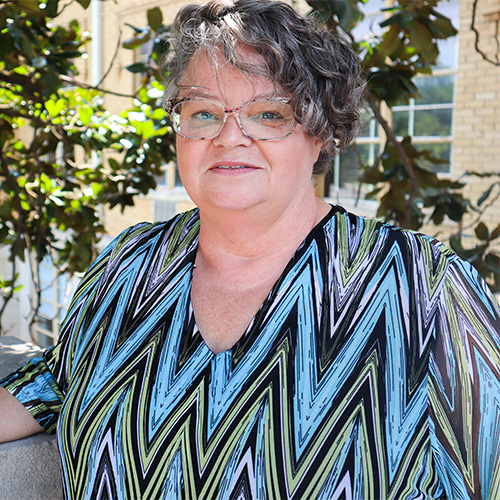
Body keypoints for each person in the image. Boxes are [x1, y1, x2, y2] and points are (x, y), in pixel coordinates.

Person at [0, 0, 499, 498]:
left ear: (321, 131)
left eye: (267, 112)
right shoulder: (130, 263)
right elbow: (58, 379)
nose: (229, 136)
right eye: (203, 112)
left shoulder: (426, 290)